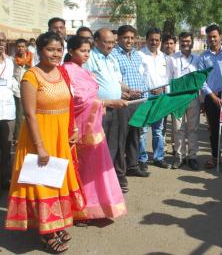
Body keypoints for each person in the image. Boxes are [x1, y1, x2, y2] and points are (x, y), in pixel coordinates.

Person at [5, 32, 87, 253]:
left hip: (60, 138)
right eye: (51, 49)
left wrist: (73, 129)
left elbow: (68, 104)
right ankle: (46, 233)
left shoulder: (61, 73)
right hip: (38, 139)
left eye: (59, 50)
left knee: (57, 181)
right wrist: (40, 146)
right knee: (42, 184)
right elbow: (29, 115)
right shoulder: (31, 76)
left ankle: (56, 224)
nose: (56, 54)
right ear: (40, 50)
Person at [63, 35, 127, 220]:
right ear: (71, 52)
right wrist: (106, 102)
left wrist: (101, 105)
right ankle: (79, 209)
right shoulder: (67, 71)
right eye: (82, 51)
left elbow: (91, 95)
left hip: (93, 124)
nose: (86, 55)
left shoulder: (84, 71)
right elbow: (78, 101)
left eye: (88, 51)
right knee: (82, 169)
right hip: (79, 127)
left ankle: (95, 207)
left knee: (94, 168)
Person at [85, 28, 131, 193]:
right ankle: (96, 183)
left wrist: (128, 90)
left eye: (112, 42)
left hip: (117, 108)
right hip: (100, 110)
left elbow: (117, 82)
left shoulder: (112, 58)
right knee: (99, 147)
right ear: (96, 41)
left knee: (115, 145)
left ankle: (111, 179)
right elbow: (87, 85)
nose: (111, 45)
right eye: (107, 42)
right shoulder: (89, 57)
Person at [111, 25, 150, 178]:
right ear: (118, 38)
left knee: (135, 134)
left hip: (138, 100)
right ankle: (119, 172)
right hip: (123, 101)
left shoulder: (136, 55)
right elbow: (113, 79)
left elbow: (141, 76)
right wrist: (124, 91)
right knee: (121, 137)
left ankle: (133, 165)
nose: (129, 41)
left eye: (132, 38)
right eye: (126, 37)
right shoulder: (113, 55)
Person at [199, 24, 222, 173]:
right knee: (213, 130)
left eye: (215, 36)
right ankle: (214, 157)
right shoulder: (203, 56)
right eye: (209, 37)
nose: (212, 39)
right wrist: (213, 96)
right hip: (211, 97)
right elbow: (201, 80)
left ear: (221, 36)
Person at [167, 32, 200, 170]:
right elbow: (168, 79)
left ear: (192, 42)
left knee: (193, 128)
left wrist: (202, 99)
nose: (185, 43)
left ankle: (192, 156)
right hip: (177, 99)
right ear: (179, 42)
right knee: (178, 129)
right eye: (182, 41)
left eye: (188, 41)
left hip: (193, 97)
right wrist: (170, 98)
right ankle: (180, 156)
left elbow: (200, 80)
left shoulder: (197, 59)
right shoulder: (172, 59)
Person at [138, 27, 171, 169]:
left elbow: (167, 77)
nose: (154, 42)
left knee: (158, 129)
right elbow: (139, 77)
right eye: (151, 39)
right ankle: (142, 159)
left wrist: (165, 91)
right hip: (146, 97)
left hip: (161, 97)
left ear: (160, 41)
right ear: (146, 40)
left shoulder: (164, 57)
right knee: (143, 130)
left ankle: (159, 157)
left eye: (157, 40)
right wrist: (150, 90)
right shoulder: (139, 55)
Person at [0, 32, 16, 191]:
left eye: (3, 40)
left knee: (7, 146)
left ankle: (4, 179)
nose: (1, 43)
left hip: (8, 110)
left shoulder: (11, 62)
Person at [12, 38, 32, 142]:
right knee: (19, 115)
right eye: (19, 46)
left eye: (22, 46)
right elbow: (12, 76)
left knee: (30, 114)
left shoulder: (32, 59)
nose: (20, 48)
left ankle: (30, 136)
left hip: (31, 91)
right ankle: (18, 138)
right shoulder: (12, 60)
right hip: (18, 91)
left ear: (26, 47)